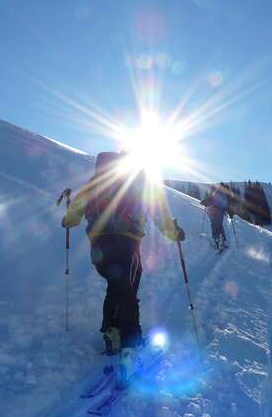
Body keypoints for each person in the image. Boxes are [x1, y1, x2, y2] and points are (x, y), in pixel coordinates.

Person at [62, 151, 185, 379]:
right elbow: (158, 214)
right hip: (127, 244)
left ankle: (112, 332)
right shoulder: (136, 184)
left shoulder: (93, 185)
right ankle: (130, 344)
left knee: (116, 287)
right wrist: (174, 233)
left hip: (99, 249)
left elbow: (72, 219)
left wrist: (67, 218)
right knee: (127, 291)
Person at [201, 185, 232, 250]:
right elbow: (227, 206)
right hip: (220, 212)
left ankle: (217, 239)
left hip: (212, 212)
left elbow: (204, 202)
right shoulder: (224, 196)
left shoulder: (215, 194)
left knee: (214, 225)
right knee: (219, 225)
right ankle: (222, 240)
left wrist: (205, 203)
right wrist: (229, 213)